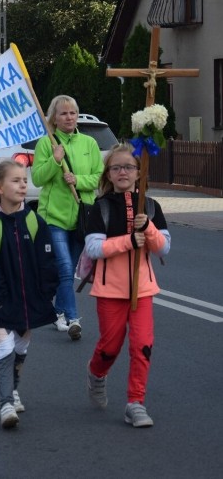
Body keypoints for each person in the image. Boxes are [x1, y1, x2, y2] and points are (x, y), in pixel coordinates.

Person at [83, 143, 170, 428]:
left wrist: (149, 229)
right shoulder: (102, 207)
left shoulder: (151, 205)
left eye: (129, 167)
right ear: (108, 173)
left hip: (142, 289)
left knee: (142, 345)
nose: (123, 172)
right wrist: (128, 241)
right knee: (110, 346)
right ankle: (97, 373)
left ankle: (135, 402)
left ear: (139, 172)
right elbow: (94, 248)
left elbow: (164, 248)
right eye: (116, 167)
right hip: (110, 290)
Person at [0, 160, 59, 429]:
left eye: (24, 180)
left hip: (30, 301)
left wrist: (46, 293)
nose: (23, 184)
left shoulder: (35, 221)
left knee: (21, 347)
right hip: (2, 303)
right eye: (15, 180)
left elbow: (47, 261)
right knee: (6, 346)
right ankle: (6, 403)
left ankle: (13, 388)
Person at [31, 95, 103, 340]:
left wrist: (78, 181)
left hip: (84, 217)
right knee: (63, 267)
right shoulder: (46, 143)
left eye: (72, 112)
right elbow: (38, 178)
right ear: (53, 118)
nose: (69, 117)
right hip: (55, 217)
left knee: (70, 269)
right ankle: (73, 319)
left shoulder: (89, 144)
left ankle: (58, 311)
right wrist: (55, 160)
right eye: (63, 113)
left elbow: (99, 177)